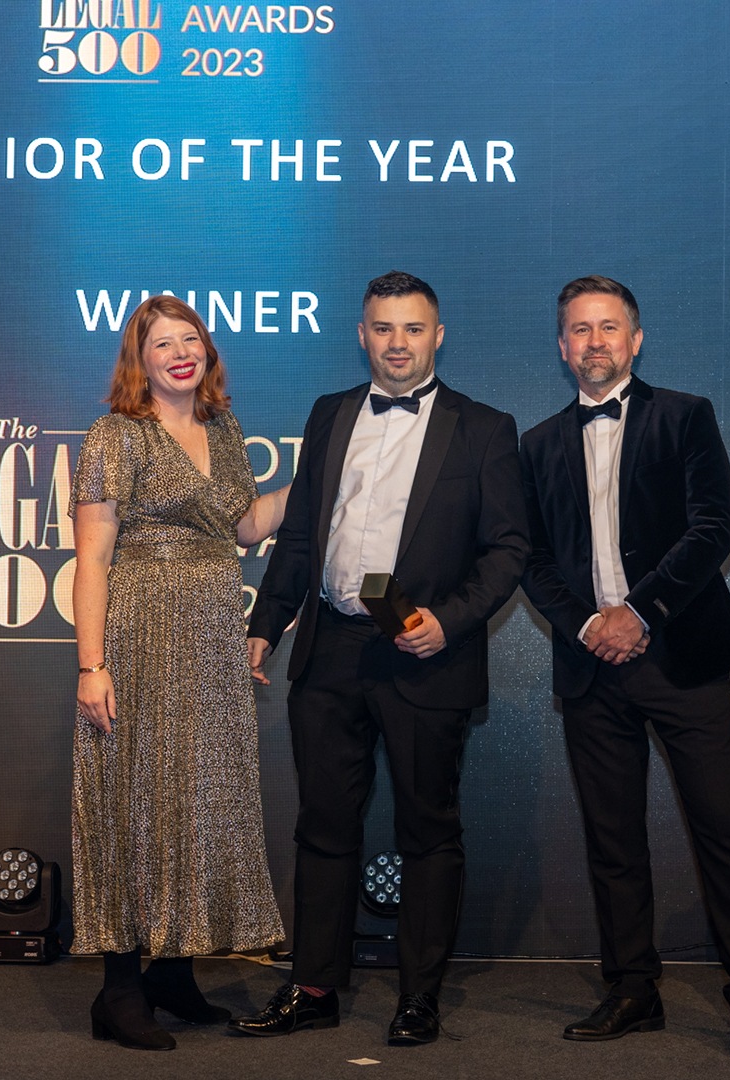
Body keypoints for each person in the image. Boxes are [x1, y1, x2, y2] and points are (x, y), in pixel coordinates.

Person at [231, 271, 528, 1047]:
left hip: (423, 653)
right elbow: (302, 531)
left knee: (429, 830)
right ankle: (314, 988)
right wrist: (269, 621)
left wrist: (448, 623)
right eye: (384, 328)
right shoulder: (329, 413)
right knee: (323, 825)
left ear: (438, 336)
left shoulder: (485, 428)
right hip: (331, 648)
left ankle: (418, 997)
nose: (398, 344)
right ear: (362, 334)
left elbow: (508, 550)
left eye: (413, 329)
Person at [519, 275, 730, 1059]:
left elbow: (712, 529)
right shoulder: (537, 444)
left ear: (635, 340)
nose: (594, 341)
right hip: (590, 666)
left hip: (682, 657)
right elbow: (531, 559)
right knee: (613, 839)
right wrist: (587, 626)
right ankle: (632, 988)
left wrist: (638, 614)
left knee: (722, 829)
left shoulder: (686, 416)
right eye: (579, 329)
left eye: (609, 327)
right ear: (562, 346)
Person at [71, 294, 289, 1051]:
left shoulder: (223, 428)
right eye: (162, 343)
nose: (180, 353)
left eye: (189, 338)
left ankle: (172, 974)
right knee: (130, 798)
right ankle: (118, 990)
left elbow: (244, 526)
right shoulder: (115, 434)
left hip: (210, 636)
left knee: (197, 798)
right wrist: (91, 665)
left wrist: (322, 478)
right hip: (137, 632)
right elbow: (92, 559)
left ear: (207, 350)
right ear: (140, 359)